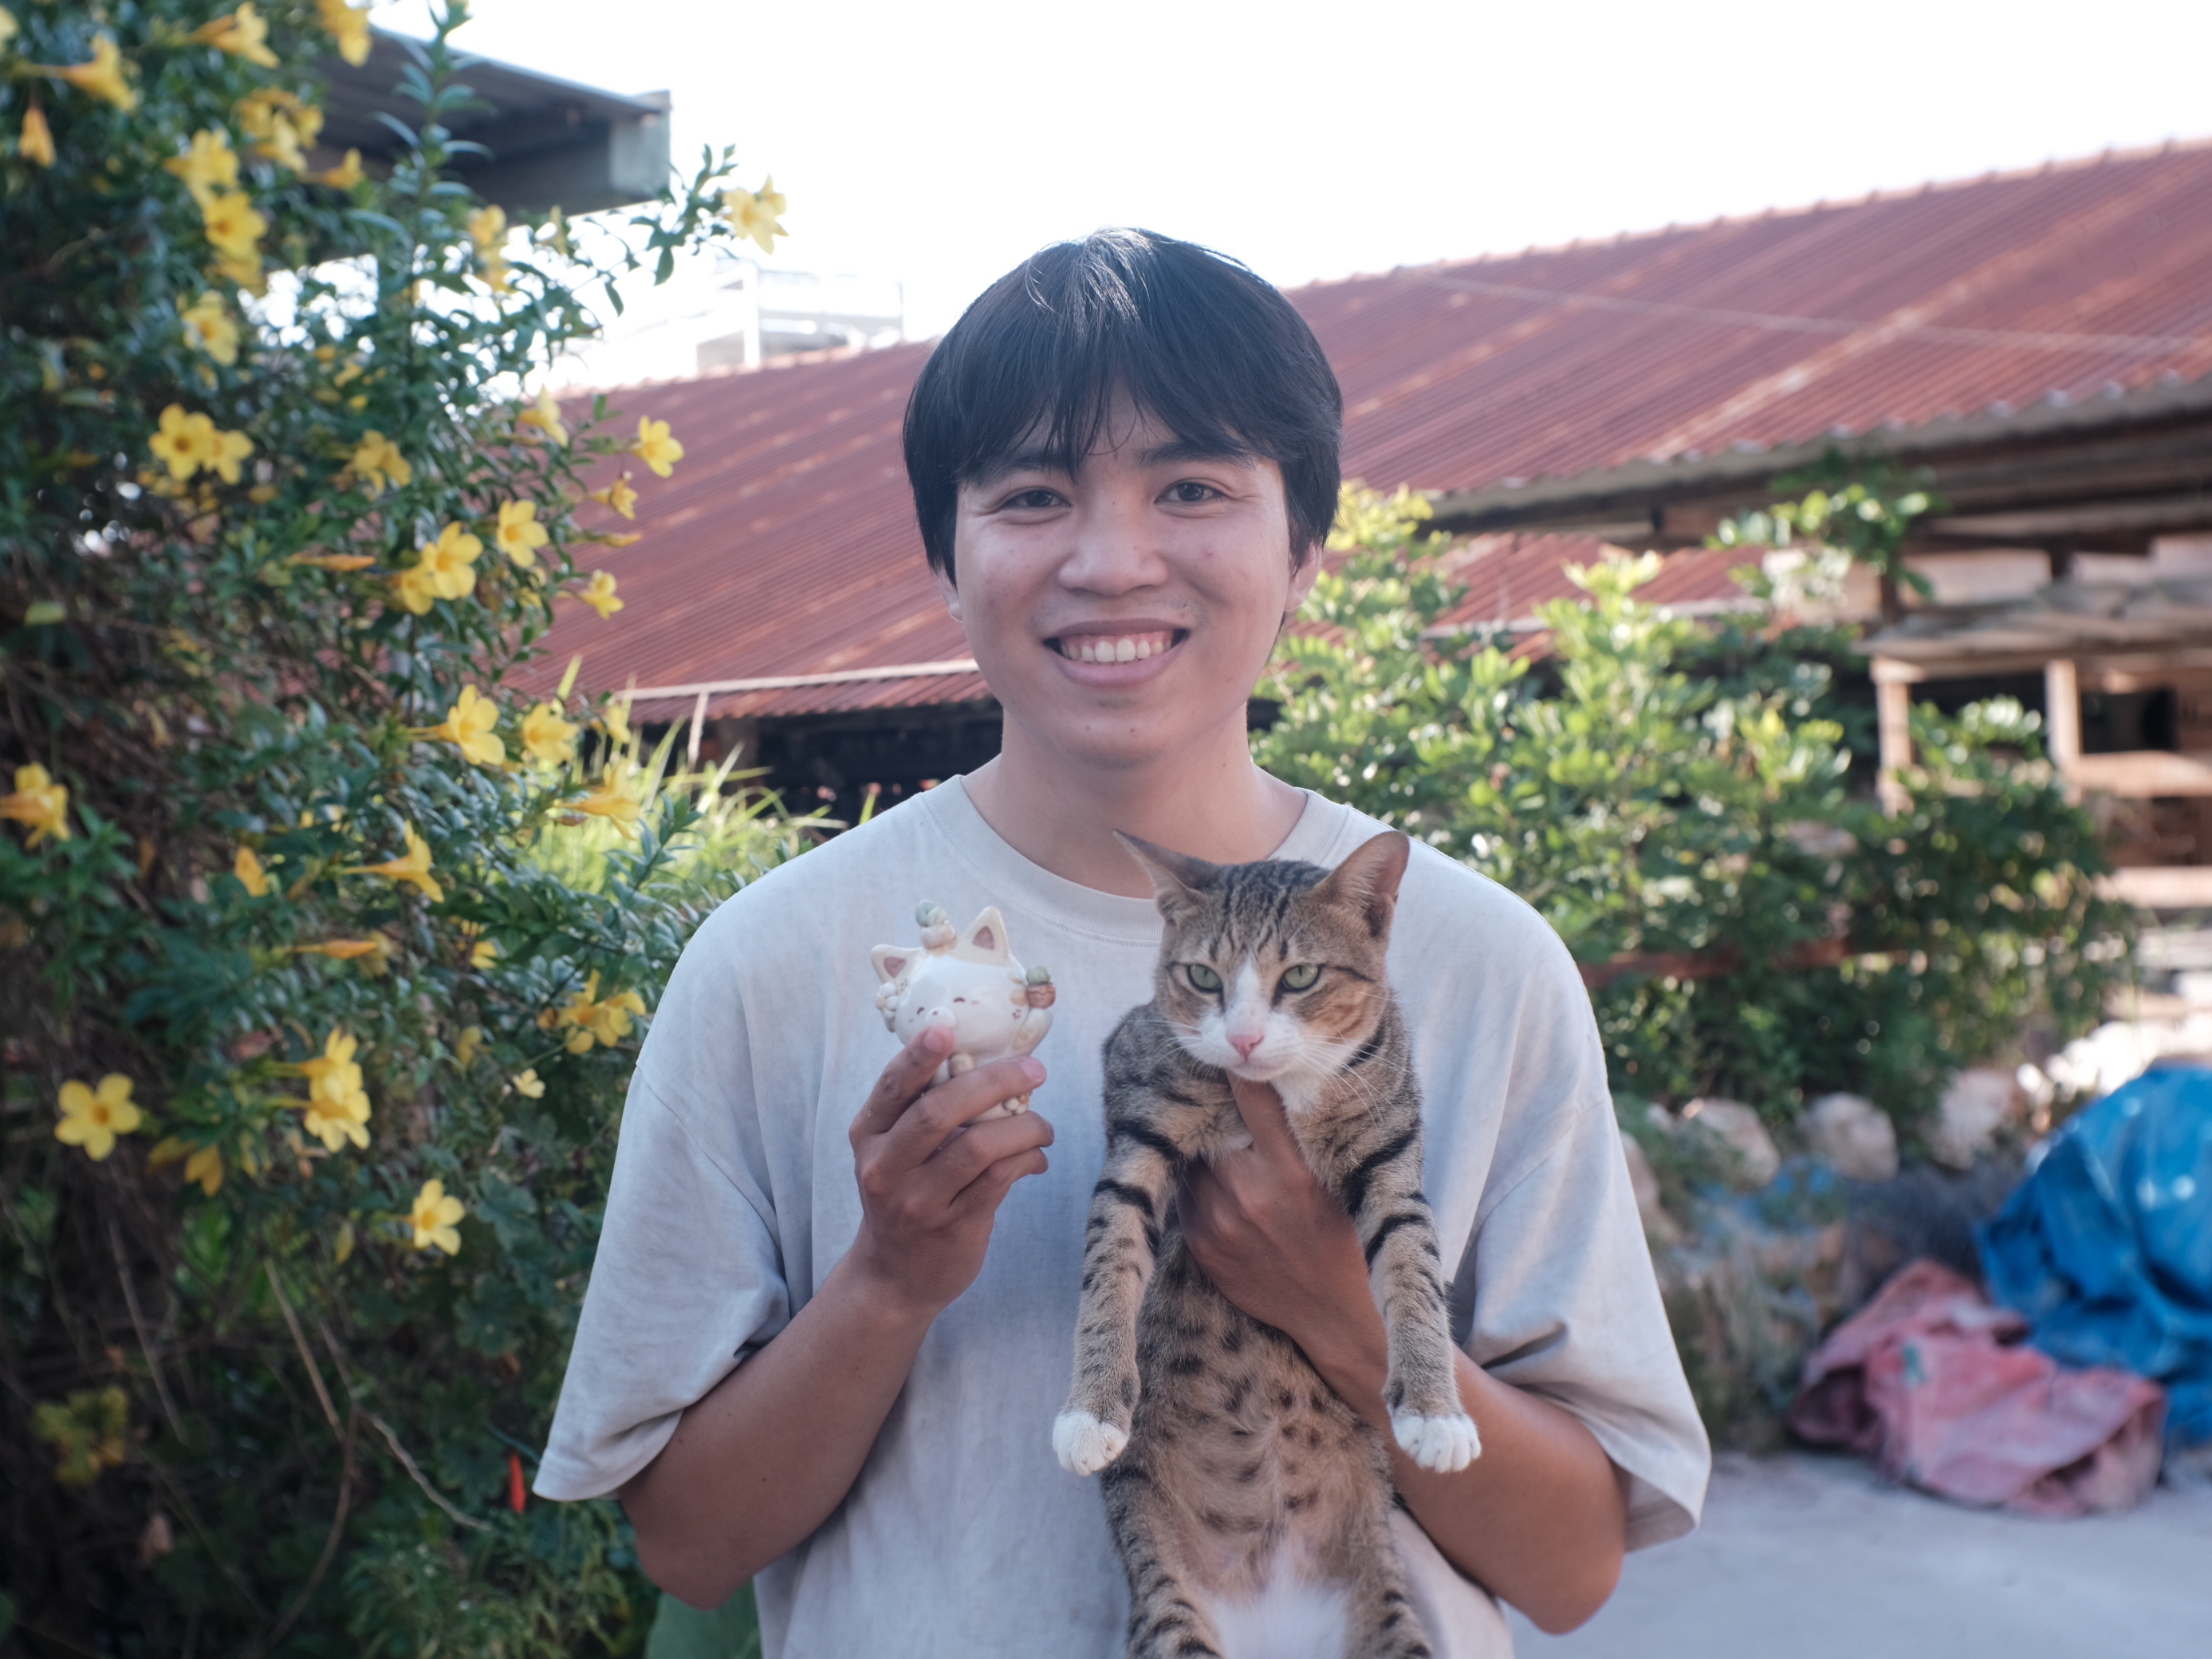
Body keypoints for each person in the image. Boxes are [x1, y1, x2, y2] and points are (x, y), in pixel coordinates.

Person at [536, 229, 1709, 1657]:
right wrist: (887, 1281)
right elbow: (684, 1540)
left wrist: (1342, 1313)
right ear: (945, 560)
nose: (1111, 559)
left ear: (1306, 554)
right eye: (1032, 495)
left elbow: (1577, 1566)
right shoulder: (774, 964)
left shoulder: (1472, 961)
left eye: (1194, 487)